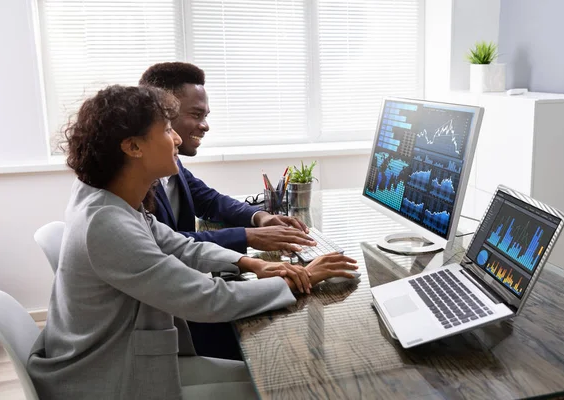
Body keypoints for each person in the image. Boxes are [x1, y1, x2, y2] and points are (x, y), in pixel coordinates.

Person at [26, 85, 358, 400]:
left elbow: (179, 246)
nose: (175, 138)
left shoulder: (106, 198)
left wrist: (252, 263)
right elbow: (207, 300)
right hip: (103, 377)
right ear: (133, 146)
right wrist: (296, 280)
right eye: (167, 130)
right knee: (278, 380)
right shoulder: (107, 224)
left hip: (110, 355)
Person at [138, 62, 315, 255]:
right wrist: (248, 236)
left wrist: (260, 217)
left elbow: (209, 201)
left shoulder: (172, 162)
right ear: (161, 112)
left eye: (205, 116)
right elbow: (167, 243)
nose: (205, 126)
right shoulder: (134, 178)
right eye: (196, 115)